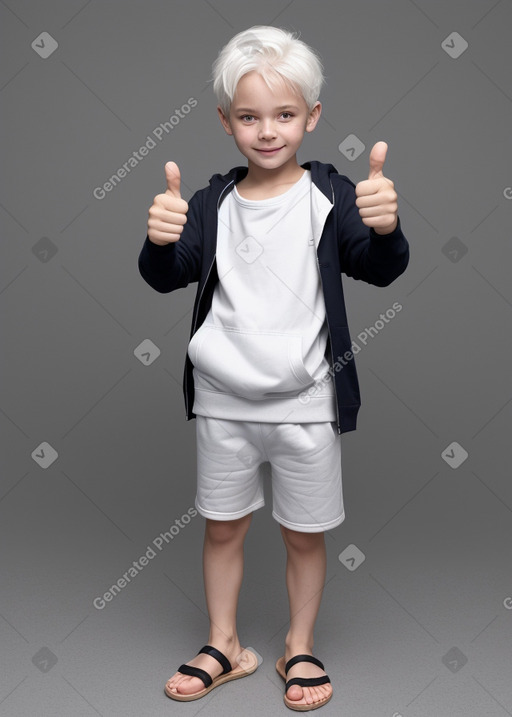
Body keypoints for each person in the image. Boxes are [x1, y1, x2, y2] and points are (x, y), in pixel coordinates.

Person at [138, 24, 409, 711]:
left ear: (311, 118)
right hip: (224, 399)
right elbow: (169, 275)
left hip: (307, 401)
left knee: (303, 531)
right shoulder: (211, 204)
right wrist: (157, 239)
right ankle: (224, 641)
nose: (267, 131)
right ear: (225, 121)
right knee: (223, 525)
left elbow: (377, 267)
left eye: (285, 115)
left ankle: (300, 642)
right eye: (250, 116)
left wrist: (384, 228)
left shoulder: (332, 195)